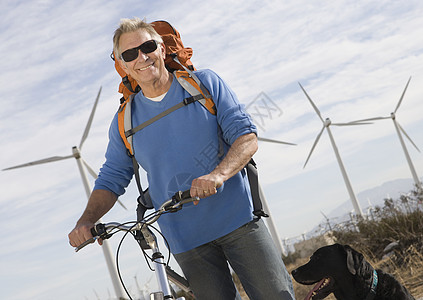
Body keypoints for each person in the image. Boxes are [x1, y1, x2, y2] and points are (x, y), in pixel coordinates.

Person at [68, 17, 295, 300]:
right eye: (130, 54)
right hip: (186, 241)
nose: (142, 57)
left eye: (148, 46)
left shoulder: (204, 84)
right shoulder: (124, 121)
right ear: (123, 65)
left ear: (162, 49)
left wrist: (218, 175)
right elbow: (112, 177)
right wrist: (86, 221)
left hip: (239, 222)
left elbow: (246, 138)